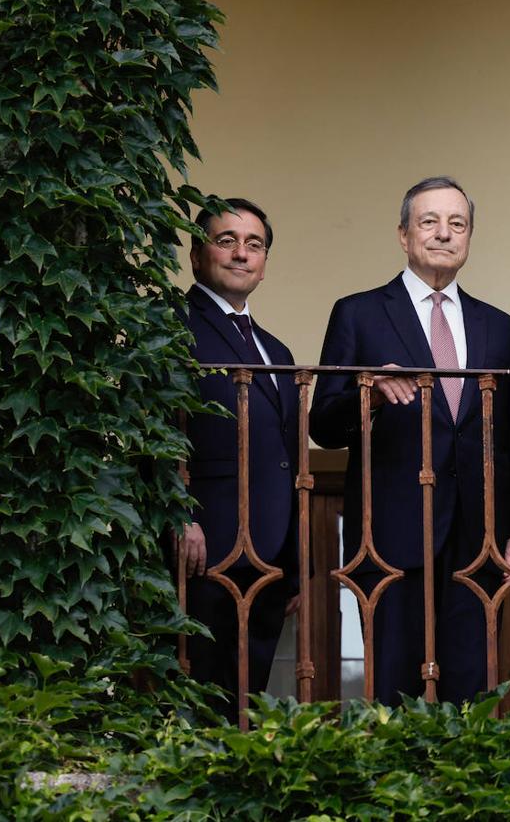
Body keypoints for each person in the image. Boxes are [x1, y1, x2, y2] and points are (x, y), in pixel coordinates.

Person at [310, 176, 510, 706]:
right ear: (403, 234)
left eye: (456, 224)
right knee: (392, 691)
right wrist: (367, 393)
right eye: (429, 222)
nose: (443, 234)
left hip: (477, 536)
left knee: (473, 693)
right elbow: (322, 423)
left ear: (469, 237)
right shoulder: (359, 313)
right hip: (389, 533)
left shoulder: (497, 326)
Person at [181, 198, 300, 718]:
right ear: (196, 255)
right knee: (197, 692)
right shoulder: (173, 330)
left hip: (268, 553)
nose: (241, 254)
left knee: (243, 702)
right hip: (204, 544)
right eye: (226, 240)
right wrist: (179, 514)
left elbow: (288, 462)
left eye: (254, 245)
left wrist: (293, 564)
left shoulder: (277, 350)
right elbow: (157, 433)